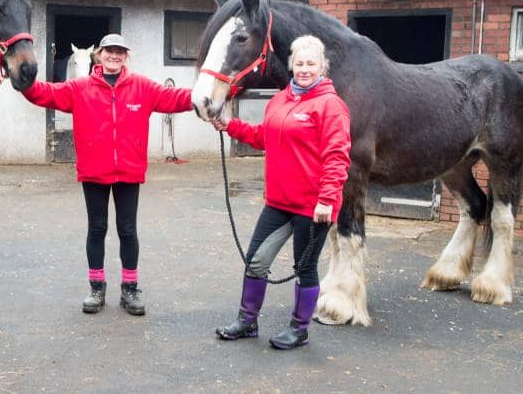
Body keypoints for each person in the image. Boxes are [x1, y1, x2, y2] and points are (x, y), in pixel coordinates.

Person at [22, 33, 193, 315]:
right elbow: (45, 93)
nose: (114, 56)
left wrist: (209, 94)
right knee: (97, 230)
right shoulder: (80, 88)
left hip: (129, 171)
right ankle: (96, 288)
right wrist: (23, 82)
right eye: (109, 51)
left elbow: (174, 98)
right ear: (99, 55)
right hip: (94, 171)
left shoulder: (142, 87)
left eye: (120, 52)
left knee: (127, 231)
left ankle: (129, 289)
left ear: (127, 56)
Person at [211, 35, 351, 350]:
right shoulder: (280, 100)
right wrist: (230, 125)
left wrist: (327, 199)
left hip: (313, 205)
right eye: (299, 63)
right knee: (256, 261)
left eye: (310, 64)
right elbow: (263, 137)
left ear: (322, 67)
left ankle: (299, 329)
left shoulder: (331, 106)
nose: (304, 69)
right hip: (278, 201)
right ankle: (247, 321)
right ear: (291, 66)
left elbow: (337, 156)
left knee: (304, 268)